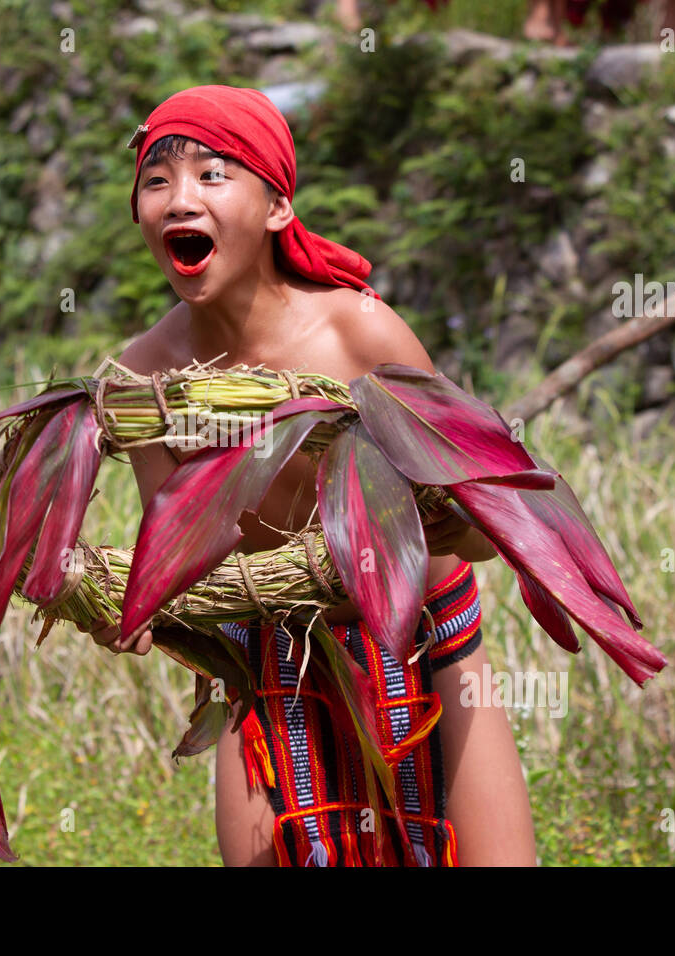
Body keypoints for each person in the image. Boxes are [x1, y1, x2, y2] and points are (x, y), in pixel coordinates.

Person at [81, 85, 537, 866]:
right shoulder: (142, 377)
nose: (180, 199)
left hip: (426, 648)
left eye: (213, 176)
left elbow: (486, 527)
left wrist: (445, 515)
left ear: (277, 208)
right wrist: (126, 603)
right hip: (267, 668)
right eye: (157, 182)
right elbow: (176, 553)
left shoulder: (357, 330)